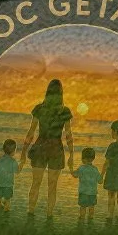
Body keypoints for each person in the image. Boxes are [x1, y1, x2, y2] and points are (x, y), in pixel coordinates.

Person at [24, 79, 74, 222]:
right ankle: (49, 218)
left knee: (36, 183)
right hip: (56, 149)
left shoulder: (39, 109)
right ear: (61, 93)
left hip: (40, 146)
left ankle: (30, 214)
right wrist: (71, 155)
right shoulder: (64, 111)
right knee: (52, 187)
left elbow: (31, 132)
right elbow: (68, 135)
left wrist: (23, 152)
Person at [0, 139, 19, 213]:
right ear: (13, 151)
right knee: (7, 200)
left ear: (3, 149)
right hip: (8, 186)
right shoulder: (13, 162)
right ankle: (6, 214)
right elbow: (17, 171)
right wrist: (21, 164)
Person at [74, 148, 101, 228]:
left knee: (83, 207)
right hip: (93, 193)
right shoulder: (95, 169)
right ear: (93, 158)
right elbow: (100, 181)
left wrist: (71, 169)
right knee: (91, 207)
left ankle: (82, 220)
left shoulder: (81, 168)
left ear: (83, 159)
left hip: (83, 192)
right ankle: (90, 220)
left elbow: (75, 175)